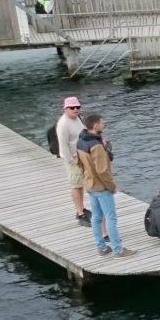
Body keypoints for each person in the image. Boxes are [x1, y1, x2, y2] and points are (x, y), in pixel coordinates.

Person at [76, 113, 133, 258]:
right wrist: (111, 187)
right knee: (110, 218)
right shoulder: (96, 146)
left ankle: (101, 247)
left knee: (96, 217)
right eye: (102, 123)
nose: (104, 124)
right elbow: (102, 170)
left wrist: (86, 178)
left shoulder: (80, 141)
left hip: (89, 184)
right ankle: (118, 249)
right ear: (95, 125)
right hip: (101, 187)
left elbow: (79, 163)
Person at [56, 96, 91, 226]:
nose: (75, 109)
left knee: (81, 184)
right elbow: (63, 145)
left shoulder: (78, 119)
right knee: (76, 185)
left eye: (77, 107)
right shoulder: (63, 124)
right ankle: (80, 213)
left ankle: (82, 208)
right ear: (65, 109)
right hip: (74, 158)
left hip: (83, 155)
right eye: (72, 108)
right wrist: (71, 160)